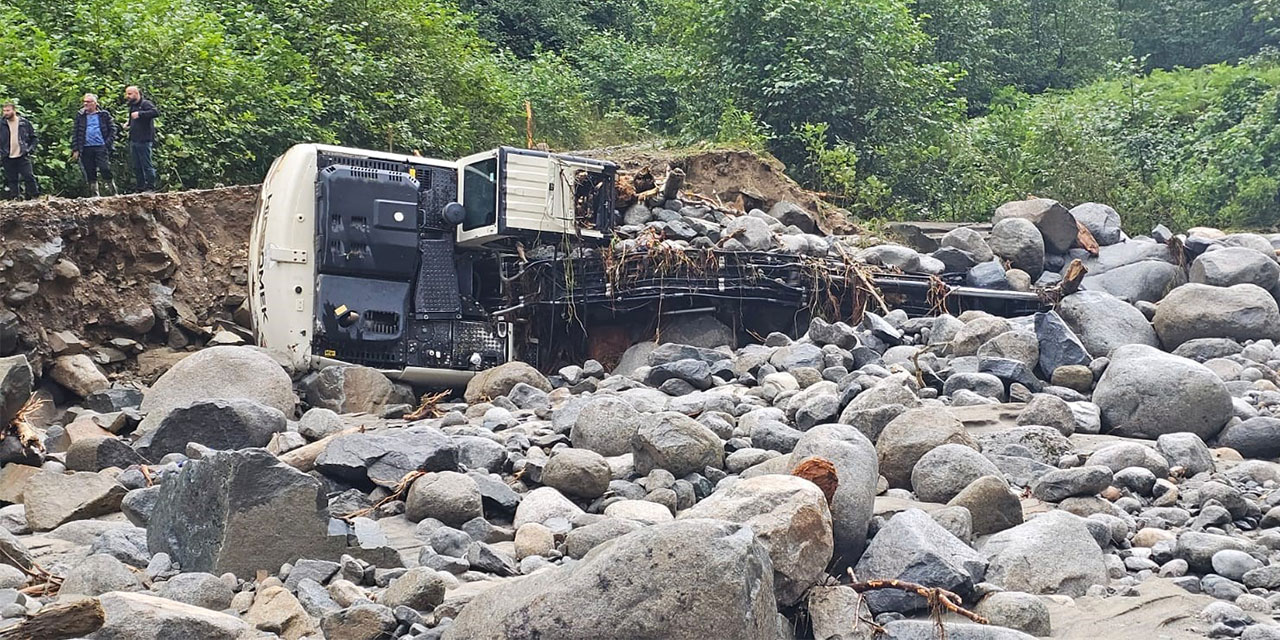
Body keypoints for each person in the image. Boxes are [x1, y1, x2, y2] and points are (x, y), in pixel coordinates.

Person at [71, 93, 116, 196]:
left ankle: (112, 192)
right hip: (86, 147)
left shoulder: (104, 114)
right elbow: (76, 132)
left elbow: (113, 129)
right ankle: (94, 194)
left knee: (104, 168)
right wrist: (76, 149)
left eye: (88, 102)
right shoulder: (80, 115)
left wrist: (107, 143)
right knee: (89, 170)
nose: (85, 104)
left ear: (95, 103)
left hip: (101, 146)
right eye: (84, 101)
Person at [0, 102, 38, 200]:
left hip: (22, 154)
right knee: (12, 179)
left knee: (29, 176)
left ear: (14, 110)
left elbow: (33, 138)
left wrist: (30, 150)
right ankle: (15, 198)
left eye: (8, 110)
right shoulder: (1, 124)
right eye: (4, 111)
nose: (5, 113)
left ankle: (35, 196)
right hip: (7, 155)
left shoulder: (24, 123)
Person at [124, 86, 158, 192]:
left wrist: (140, 114)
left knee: (146, 164)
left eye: (129, 94)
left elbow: (155, 112)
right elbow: (132, 118)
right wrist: (128, 124)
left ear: (136, 93)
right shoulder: (132, 106)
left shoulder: (145, 104)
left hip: (144, 140)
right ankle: (140, 186)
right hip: (134, 139)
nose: (127, 96)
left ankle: (150, 186)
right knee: (136, 166)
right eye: (127, 94)